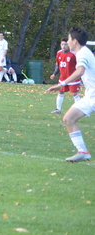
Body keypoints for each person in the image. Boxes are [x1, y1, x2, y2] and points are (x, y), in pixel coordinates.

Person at [45, 27, 94, 162]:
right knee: (68, 119)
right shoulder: (82, 52)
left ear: (75, 41)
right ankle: (83, 152)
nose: (67, 42)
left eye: (69, 39)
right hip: (90, 96)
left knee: (69, 119)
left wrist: (62, 84)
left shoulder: (82, 54)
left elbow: (80, 71)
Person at [48, 37, 81, 114]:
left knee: (74, 94)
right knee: (61, 92)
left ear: (69, 45)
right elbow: (58, 65)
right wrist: (54, 74)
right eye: (62, 44)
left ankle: (80, 110)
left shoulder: (74, 54)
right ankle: (58, 109)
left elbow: (79, 66)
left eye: (65, 44)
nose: (63, 46)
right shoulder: (59, 53)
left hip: (73, 78)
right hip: (63, 78)